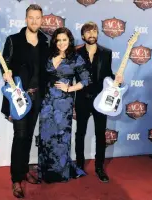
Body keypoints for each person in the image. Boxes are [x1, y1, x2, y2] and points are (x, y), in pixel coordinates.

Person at [1, 4, 49, 199]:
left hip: (37, 96)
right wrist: (6, 73)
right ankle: (16, 179)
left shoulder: (46, 41)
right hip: (19, 96)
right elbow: (4, 63)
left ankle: (24, 171)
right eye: (31, 17)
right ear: (26, 19)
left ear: (42, 19)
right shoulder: (13, 40)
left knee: (29, 135)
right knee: (19, 135)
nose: (35, 21)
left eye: (38, 18)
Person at [37, 27, 90, 183]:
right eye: (58, 40)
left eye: (64, 40)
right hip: (46, 102)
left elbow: (86, 80)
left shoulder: (76, 58)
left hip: (64, 105)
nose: (61, 43)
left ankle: (60, 173)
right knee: (46, 137)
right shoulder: (48, 55)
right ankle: (45, 173)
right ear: (55, 41)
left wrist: (70, 88)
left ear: (70, 41)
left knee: (61, 139)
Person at [75, 21, 123, 183]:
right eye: (88, 32)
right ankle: (79, 165)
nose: (91, 34)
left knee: (100, 135)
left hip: (101, 100)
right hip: (81, 99)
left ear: (98, 34)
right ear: (83, 36)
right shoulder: (75, 53)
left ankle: (99, 167)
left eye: (94, 31)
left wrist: (117, 81)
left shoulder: (106, 53)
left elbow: (108, 74)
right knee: (80, 134)